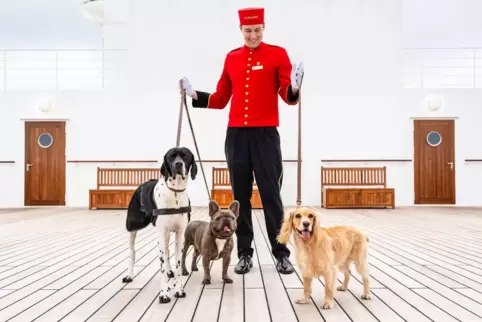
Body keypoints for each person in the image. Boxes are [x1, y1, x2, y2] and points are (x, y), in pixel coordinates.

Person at [180, 7, 304, 275]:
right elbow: (222, 98)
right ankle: (244, 254)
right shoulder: (232, 58)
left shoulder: (277, 54)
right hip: (236, 135)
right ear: (241, 30)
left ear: (263, 28)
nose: (253, 35)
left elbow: (286, 94)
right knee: (241, 197)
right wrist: (194, 94)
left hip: (266, 135)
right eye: (248, 31)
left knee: (271, 196)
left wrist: (294, 87)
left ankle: (281, 253)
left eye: (257, 30)